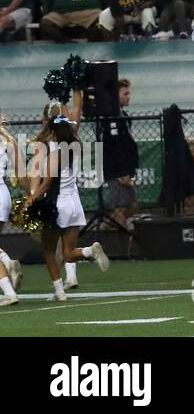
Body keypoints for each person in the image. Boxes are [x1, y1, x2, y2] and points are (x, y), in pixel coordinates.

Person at [26, 95, 111, 301]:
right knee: (69, 252)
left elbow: (46, 182)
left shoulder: (53, 153)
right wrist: (69, 98)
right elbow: (72, 120)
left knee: (48, 251)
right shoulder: (75, 145)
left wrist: (32, 199)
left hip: (58, 204)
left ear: (52, 131)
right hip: (74, 203)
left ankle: (59, 292)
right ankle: (90, 251)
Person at [0, 111, 20, 305]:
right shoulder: (8, 140)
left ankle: (9, 293)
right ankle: (7, 262)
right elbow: (21, 172)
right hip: (3, 194)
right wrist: (30, 194)